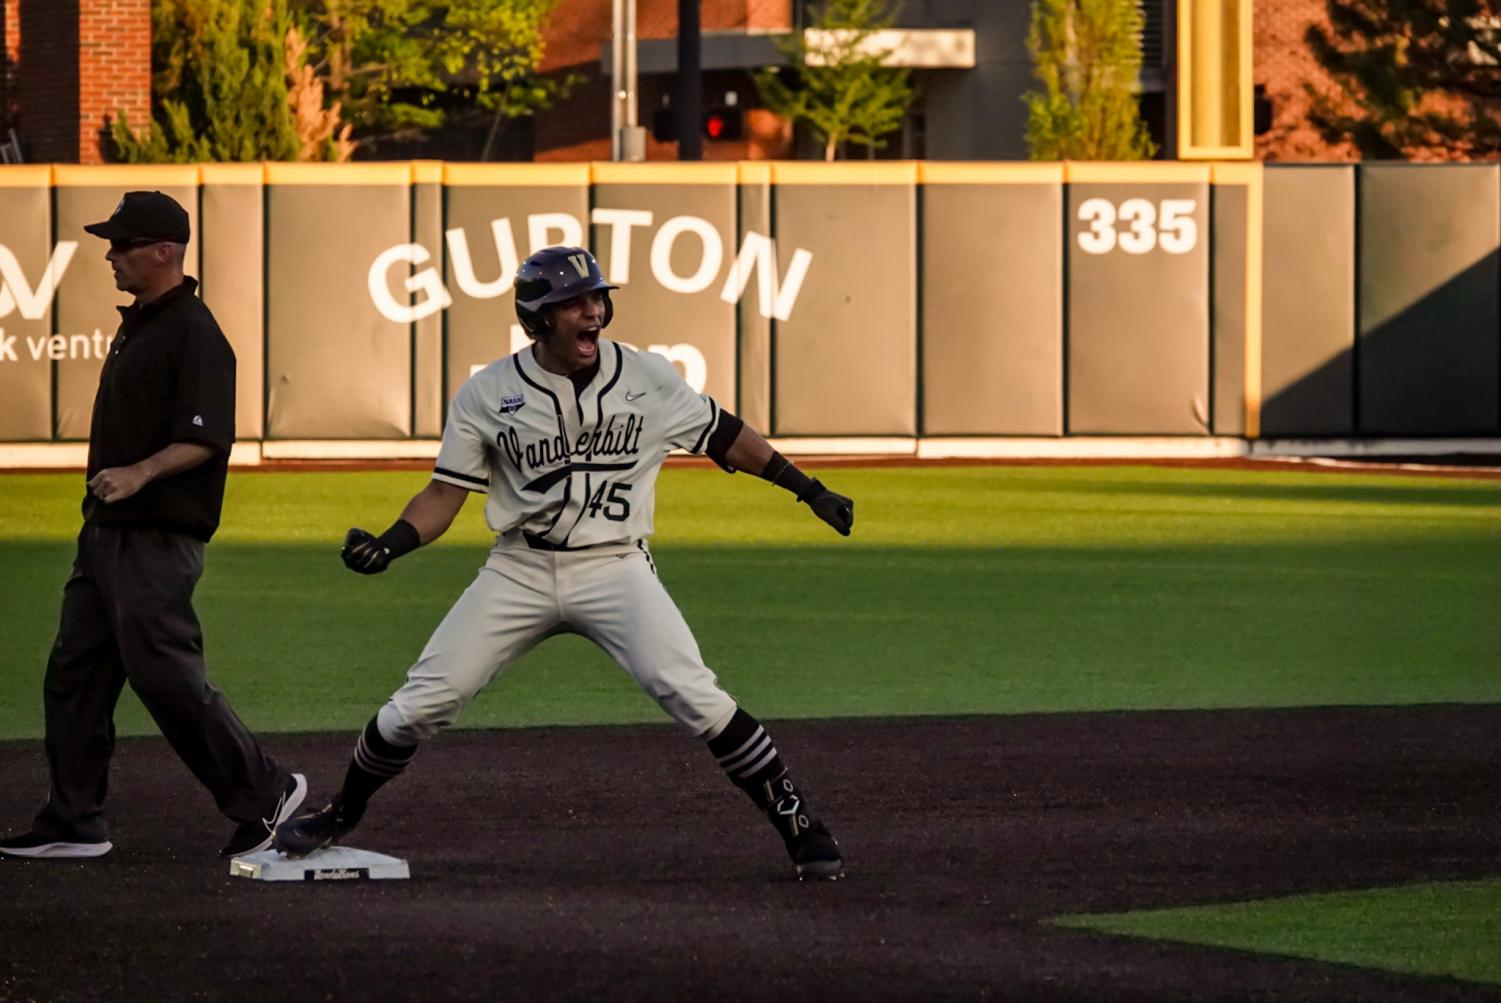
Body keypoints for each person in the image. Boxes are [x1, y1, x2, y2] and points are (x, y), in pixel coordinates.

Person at [275, 246, 854, 880]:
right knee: (422, 703)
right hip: (518, 569)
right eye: (574, 303)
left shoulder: (646, 376)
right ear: (537, 318)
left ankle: (798, 822)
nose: (593, 311)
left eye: (597, 298)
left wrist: (808, 487)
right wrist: (393, 541)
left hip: (616, 566)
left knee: (695, 694)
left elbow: (726, 434)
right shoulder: (489, 392)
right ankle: (340, 811)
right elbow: (445, 493)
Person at [0, 191, 305, 861]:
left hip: (158, 533)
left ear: (163, 251)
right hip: (108, 532)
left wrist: (137, 474)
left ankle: (266, 790)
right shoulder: (142, 322)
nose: (110, 253)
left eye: (122, 243)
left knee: (163, 671)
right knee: (75, 672)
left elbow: (206, 437)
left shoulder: (194, 330)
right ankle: (72, 820)